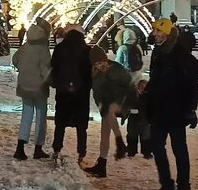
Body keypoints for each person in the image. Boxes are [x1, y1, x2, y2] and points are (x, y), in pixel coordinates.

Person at [146, 22, 198, 190]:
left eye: (158, 31)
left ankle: (184, 188)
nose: (155, 34)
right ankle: (167, 186)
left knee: (179, 150)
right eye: (155, 31)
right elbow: (155, 81)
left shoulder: (182, 57)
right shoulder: (158, 53)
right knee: (156, 146)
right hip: (159, 110)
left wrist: (191, 110)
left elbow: (192, 87)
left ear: (167, 34)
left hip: (176, 111)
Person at [84, 46, 132, 178]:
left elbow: (129, 86)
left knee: (110, 110)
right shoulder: (94, 74)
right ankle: (102, 163)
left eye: (101, 63)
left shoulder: (117, 69)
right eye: (96, 64)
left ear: (106, 59)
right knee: (104, 131)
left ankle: (120, 142)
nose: (100, 66)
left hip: (121, 101)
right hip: (106, 103)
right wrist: (99, 104)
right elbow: (96, 93)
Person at [49, 25, 92, 165]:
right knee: (81, 125)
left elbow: (54, 67)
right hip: (81, 93)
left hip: (63, 92)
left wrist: (57, 83)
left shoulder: (60, 48)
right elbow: (89, 72)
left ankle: (57, 149)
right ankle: (81, 153)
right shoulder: (86, 50)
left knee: (60, 123)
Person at [12, 22, 52, 160]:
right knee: (40, 118)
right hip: (39, 88)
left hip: (24, 86)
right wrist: (49, 80)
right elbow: (45, 70)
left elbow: (15, 59)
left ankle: (20, 147)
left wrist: (23, 70)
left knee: (26, 116)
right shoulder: (43, 49)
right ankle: (38, 148)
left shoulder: (25, 46)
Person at [124, 78, 151, 158]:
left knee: (146, 135)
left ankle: (147, 152)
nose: (142, 88)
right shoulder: (132, 95)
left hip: (144, 118)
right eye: (140, 86)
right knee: (132, 135)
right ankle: (131, 151)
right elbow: (126, 105)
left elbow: (151, 107)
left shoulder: (148, 96)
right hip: (133, 117)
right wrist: (125, 114)